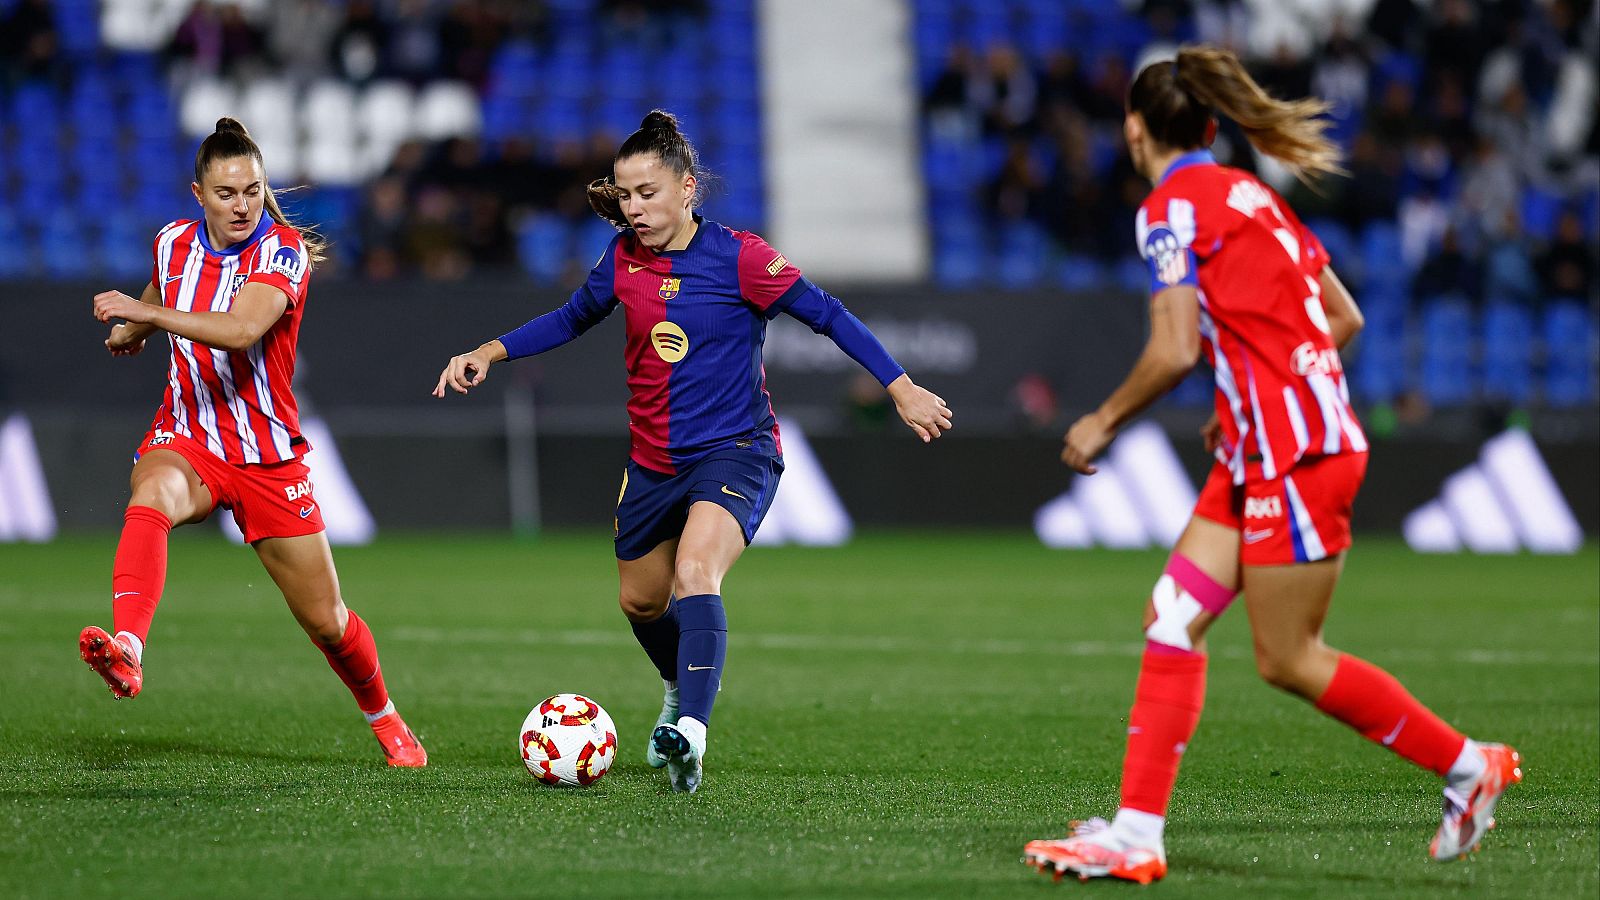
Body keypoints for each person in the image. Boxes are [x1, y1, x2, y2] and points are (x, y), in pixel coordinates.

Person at [1022, 47, 1520, 884]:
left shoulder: (1167, 209)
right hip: (1267, 444)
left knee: (1289, 657)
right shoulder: (1253, 194)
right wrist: (1252, 397)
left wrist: (1103, 419)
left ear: (1133, 128)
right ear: (1212, 128)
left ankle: (1471, 765)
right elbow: (1344, 316)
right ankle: (1137, 834)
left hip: (1297, 455)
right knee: (1173, 614)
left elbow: (1177, 348)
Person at [434, 110, 952, 793]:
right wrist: (488, 351)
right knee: (641, 603)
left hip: (736, 451)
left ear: (687, 189)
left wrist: (901, 386)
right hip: (652, 462)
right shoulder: (623, 259)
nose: (634, 208)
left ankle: (692, 736)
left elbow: (828, 313)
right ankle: (679, 689)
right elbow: (570, 317)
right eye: (624, 196)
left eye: (647, 193)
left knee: (696, 569)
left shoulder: (741, 258)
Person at [81, 117, 427, 768]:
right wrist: (136, 332)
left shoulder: (283, 252)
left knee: (328, 621)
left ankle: (384, 717)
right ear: (198, 194)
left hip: (266, 452)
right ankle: (129, 647)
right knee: (151, 494)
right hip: (188, 429)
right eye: (225, 193)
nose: (240, 204)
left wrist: (147, 315)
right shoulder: (171, 244)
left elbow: (241, 330)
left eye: (250, 190)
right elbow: (163, 291)